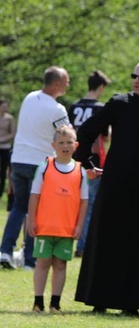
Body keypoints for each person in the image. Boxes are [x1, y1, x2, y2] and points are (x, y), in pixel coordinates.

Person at [73, 60, 139, 317]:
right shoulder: (118, 104)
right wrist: (87, 161)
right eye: (134, 76)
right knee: (109, 239)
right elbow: (87, 131)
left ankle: (134, 304)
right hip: (116, 184)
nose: (137, 80)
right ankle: (99, 299)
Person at [0, 66, 70, 270]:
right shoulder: (57, 109)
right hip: (39, 163)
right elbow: (67, 134)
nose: (68, 84)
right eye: (66, 81)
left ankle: (5, 250)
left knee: (19, 207)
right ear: (57, 83)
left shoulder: (30, 97)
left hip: (18, 159)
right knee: (36, 211)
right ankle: (29, 260)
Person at [27, 125, 88, 313]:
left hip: (67, 229)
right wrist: (31, 221)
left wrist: (79, 226)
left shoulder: (80, 171)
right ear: (53, 145)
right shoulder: (45, 167)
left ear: (76, 145)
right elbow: (34, 196)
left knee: (60, 265)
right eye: (61, 142)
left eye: (69, 142)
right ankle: (38, 302)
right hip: (45, 227)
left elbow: (84, 202)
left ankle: (55, 303)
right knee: (43, 263)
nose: (65, 146)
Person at [69, 69, 112, 258]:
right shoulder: (100, 108)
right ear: (101, 87)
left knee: (71, 202)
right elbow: (107, 137)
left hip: (71, 160)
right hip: (92, 162)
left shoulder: (74, 107)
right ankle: (82, 244)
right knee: (90, 203)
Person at [0, 99, 16, 199]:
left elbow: (12, 133)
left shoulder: (9, 119)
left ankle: (1, 191)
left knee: (3, 169)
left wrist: (2, 139)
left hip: (5, 146)